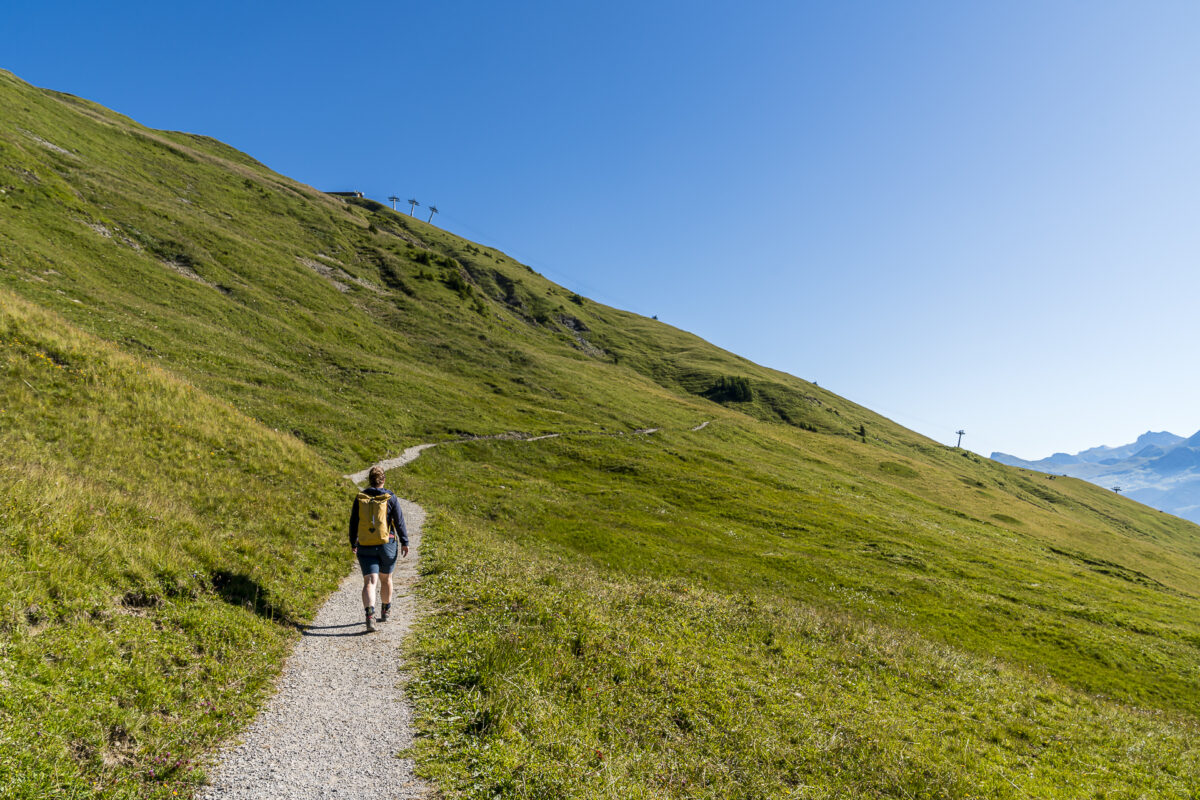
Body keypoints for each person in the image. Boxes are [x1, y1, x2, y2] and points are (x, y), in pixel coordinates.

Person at [348, 465, 409, 632]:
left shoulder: (360, 498)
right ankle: (385, 610)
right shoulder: (390, 497)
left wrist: (354, 542)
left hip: (365, 545)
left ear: (369, 480)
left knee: (370, 581)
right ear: (384, 480)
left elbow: (354, 523)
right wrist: (404, 542)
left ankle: (369, 615)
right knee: (386, 579)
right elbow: (399, 521)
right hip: (386, 545)